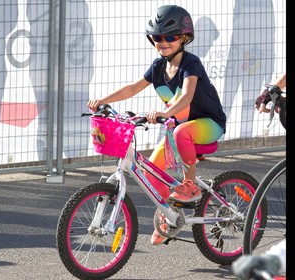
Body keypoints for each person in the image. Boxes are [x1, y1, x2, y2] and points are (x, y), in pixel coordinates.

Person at [87, 5, 226, 245]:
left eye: (170, 37)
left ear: (183, 38)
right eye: (157, 37)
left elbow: (187, 97)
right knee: (152, 173)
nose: (163, 42)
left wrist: (165, 112)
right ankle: (168, 215)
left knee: (182, 131)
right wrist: (103, 100)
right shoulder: (158, 66)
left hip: (208, 123)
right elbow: (133, 87)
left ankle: (190, 185)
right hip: (179, 129)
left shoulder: (191, 64)